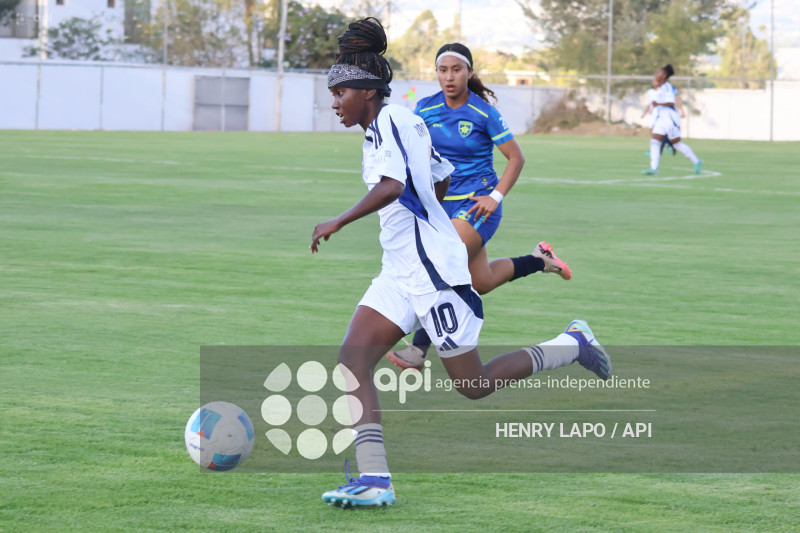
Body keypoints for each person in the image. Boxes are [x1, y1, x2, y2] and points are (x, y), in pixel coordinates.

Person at [311, 17, 612, 509]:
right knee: (352, 361)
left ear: (366, 92)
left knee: (472, 385)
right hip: (401, 270)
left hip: (434, 274)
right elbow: (440, 178)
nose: (334, 101)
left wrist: (337, 222)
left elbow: (392, 187)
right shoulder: (395, 123)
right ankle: (375, 480)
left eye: (340, 91)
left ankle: (571, 344)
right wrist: (426, 211)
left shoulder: (392, 122)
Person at [386, 42, 571, 371]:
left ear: (469, 73)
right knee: (481, 281)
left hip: (478, 205)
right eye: (443, 70)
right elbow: (411, 154)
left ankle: (417, 350)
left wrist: (494, 197)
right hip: (441, 207)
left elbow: (516, 158)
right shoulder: (424, 109)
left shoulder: (484, 112)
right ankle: (540, 261)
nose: (449, 77)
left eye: (456, 69)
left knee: (441, 262)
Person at [640, 64, 702, 175]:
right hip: (661, 118)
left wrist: (658, 103)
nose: (656, 74)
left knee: (677, 144)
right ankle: (654, 168)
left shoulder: (667, 87)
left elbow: (671, 103)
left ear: (664, 75)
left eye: (658, 72)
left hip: (670, 118)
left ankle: (696, 161)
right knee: (654, 141)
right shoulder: (660, 87)